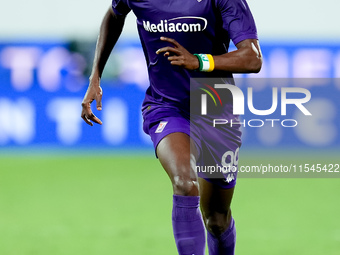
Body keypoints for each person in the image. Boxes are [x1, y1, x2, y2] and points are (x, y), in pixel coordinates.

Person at [81, 0, 262, 254]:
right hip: (166, 106)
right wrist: (95, 74)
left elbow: (253, 59)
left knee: (217, 219)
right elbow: (114, 15)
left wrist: (199, 61)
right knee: (185, 182)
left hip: (216, 107)